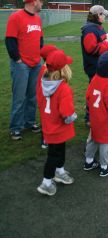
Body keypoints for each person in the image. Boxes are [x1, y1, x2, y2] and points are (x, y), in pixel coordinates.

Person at [5, 0, 47, 140]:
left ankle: (29, 122)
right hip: (21, 64)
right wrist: (17, 59)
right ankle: (16, 127)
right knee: (19, 97)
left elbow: (40, 39)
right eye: (40, 0)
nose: (42, 3)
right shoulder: (16, 17)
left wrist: (41, 56)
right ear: (33, 2)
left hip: (36, 63)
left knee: (33, 96)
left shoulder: (37, 18)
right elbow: (10, 40)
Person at [36, 49, 77, 196]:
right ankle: (46, 182)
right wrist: (73, 116)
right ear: (63, 69)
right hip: (59, 127)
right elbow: (67, 113)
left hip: (49, 125)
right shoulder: (63, 88)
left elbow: (40, 102)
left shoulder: (42, 82)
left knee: (58, 151)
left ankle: (59, 171)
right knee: (53, 155)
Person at [84, 51, 108, 177]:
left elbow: (88, 97)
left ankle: (88, 161)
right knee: (105, 143)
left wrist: (89, 114)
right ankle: (104, 167)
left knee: (92, 139)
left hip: (95, 118)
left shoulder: (95, 78)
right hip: (105, 121)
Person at [81, 5, 108, 124]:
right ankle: (89, 118)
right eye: (103, 14)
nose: (104, 16)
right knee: (94, 93)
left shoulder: (98, 27)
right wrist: (107, 44)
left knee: (100, 92)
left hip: (99, 66)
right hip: (94, 66)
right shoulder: (90, 29)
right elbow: (91, 49)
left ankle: (98, 114)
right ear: (97, 15)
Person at [37, 44, 58, 149]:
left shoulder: (48, 67)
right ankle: (45, 140)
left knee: (49, 118)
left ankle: (48, 138)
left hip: (45, 96)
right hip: (45, 97)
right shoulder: (46, 69)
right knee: (46, 119)